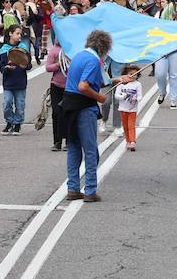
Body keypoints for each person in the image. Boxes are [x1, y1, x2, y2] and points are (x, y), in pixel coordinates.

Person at [62, 29, 128, 202]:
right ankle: (90, 190)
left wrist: (118, 79)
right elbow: (83, 86)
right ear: (104, 47)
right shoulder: (93, 60)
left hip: (68, 106)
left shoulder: (80, 55)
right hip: (83, 108)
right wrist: (99, 97)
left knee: (74, 148)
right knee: (91, 150)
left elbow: (99, 79)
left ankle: (73, 188)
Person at [0, 24, 32, 134]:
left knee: (20, 105)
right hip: (8, 82)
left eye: (20, 34)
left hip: (20, 81)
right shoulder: (4, 49)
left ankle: (17, 124)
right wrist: (6, 68)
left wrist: (25, 66)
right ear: (10, 34)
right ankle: (9, 121)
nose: (19, 36)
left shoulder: (23, 48)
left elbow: (29, 64)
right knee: (7, 103)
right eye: (17, 33)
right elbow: (1, 67)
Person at [153, 0, 177, 108]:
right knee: (160, 73)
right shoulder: (158, 15)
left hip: (176, 47)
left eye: (164, 2)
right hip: (162, 47)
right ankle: (162, 92)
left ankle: (173, 99)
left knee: (174, 74)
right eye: (161, 2)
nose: (162, 4)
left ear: (170, 3)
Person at [46, 31, 73, 153]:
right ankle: (57, 142)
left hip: (70, 86)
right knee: (56, 113)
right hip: (56, 85)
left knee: (68, 113)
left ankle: (68, 140)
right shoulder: (54, 50)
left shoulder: (72, 49)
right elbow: (48, 67)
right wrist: (59, 64)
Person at [114, 65, 142, 150]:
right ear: (126, 74)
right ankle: (128, 141)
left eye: (135, 74)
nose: (133, 76)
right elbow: (116, 95)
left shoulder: (138, 84)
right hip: (122, 108)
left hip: (132, 109)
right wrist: (123, 97)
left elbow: (140, 96)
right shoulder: (121, 84)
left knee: (131, 126)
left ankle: (133, 142)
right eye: (131, 74)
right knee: (125, 126)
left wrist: (136, 99)